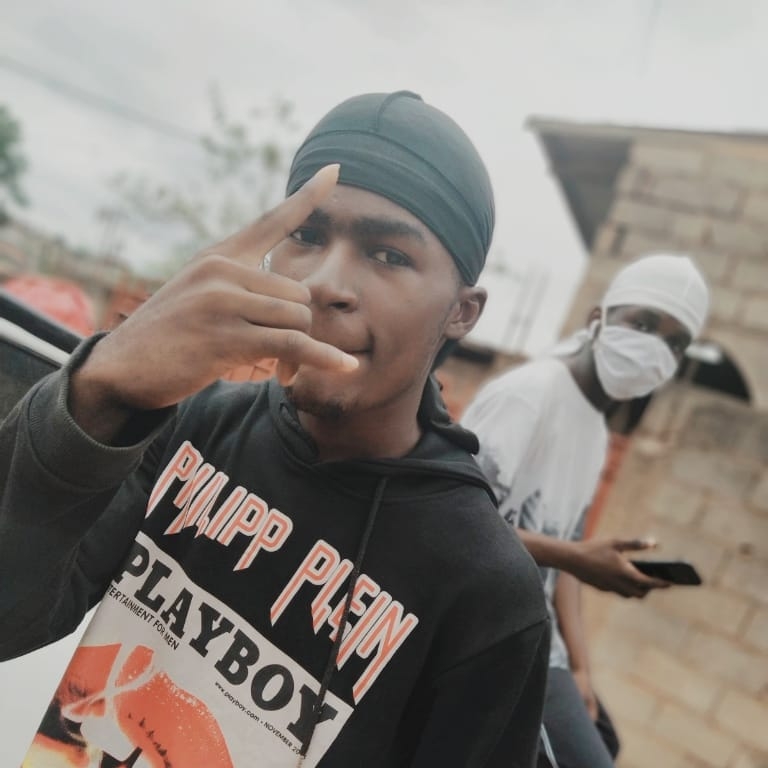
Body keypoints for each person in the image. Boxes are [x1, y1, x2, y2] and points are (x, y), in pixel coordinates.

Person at [0, 91, 550, 768]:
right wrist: (98, 390)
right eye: (307, 236)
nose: (323, 283)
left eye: (388, 255)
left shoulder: (486, 592)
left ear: (462, 312)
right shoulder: (195, 422)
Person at [460, 254, 709, 768]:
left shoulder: (595, 432)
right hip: (482, 630)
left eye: (675, 342)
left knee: (606, 739)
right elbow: (451, 521)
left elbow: (562, 570)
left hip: (534, 633)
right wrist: (576, 558)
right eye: (643, 323)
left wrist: (581, 668)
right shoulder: (530, 396)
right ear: (598, 318)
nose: (655, 349)